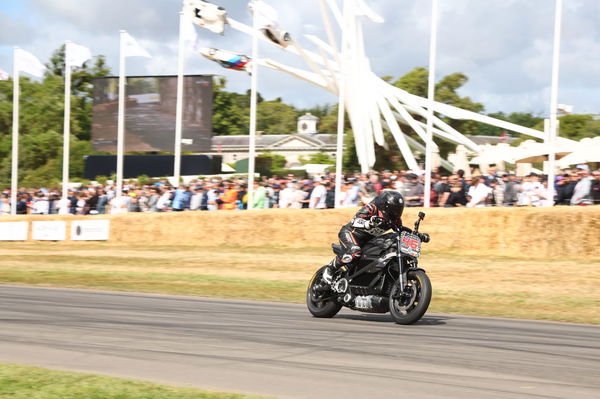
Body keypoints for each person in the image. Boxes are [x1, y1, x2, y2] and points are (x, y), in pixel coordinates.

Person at [323, 191, 426, 283]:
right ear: (386, 206)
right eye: (394, 209)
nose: (396, 212)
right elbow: (355, 221)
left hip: (368, 240)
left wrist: (416, 235)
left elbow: (399, 230)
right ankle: (330, 268)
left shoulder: (395, 218)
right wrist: (368, 223)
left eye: (398, 209)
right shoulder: (372, 208)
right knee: (354, 252)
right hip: (351, 233)